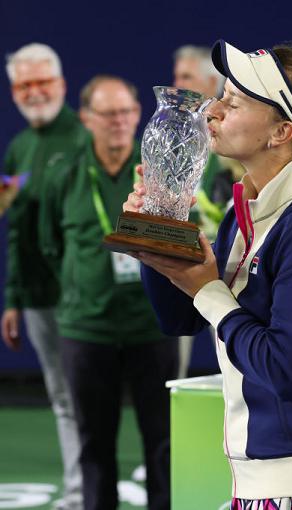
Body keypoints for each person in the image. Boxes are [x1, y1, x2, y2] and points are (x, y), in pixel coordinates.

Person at [125, 40, 292, 509]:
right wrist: (159, 242)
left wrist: (209, 290)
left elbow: (284, 369)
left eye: (233, 102)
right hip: (268, 486)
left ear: (281, 132)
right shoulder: (247, 210)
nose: (212, 110)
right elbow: (182, 320)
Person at [38, 75, 177, 510]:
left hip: (150, 327)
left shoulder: (157, 173)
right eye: (108, 113)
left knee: (163, 441)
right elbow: (48, 244)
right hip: (87, 330)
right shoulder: (63, 174)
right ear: (86, 119)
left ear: (138, 116)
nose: (119, 122)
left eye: (127, 112)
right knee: (93, 443)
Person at [1, 42, 87, 510]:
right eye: (23, 85)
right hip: (36, 298)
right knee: (61, 396)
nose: (34, 93)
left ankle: (92, 490)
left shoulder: (81, 139)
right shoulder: (19, 147)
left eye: (42, 83)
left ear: (61, 85)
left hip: (81, 298)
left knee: (89, 397)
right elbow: (16, 230)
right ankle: (80, 493)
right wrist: (13, 297)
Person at [172, 44, 244, 379]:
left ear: (210, 84)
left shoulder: (234, 143)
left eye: (186, 76)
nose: (177, 82)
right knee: (175, 357)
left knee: (234, 356)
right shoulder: (171, 136)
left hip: (228, 264)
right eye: (177, 75)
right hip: (180, 256)